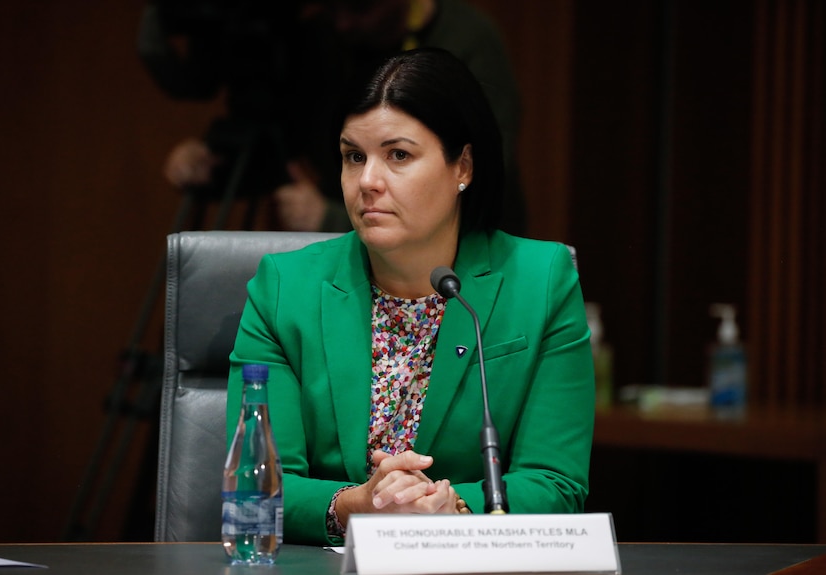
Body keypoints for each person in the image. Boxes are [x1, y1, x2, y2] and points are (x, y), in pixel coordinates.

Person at [227, 48, 594, 546]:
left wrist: (454, 507)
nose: (368, 182)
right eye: (353, 156)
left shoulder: (541, 280)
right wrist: (356, 504)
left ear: (462, 166)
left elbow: (555, 481)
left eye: (398, 155)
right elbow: (258, 487)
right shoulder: (283, 288)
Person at [140, 0, 526, 236]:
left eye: (360, 7)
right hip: (351, 257)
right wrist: (212, 162)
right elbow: (285, 145)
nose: (343, 23)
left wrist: (334, 220)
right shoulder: (322, 39)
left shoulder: (466, 40)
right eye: (333, 6)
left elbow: (482, 176)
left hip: (459, 257)